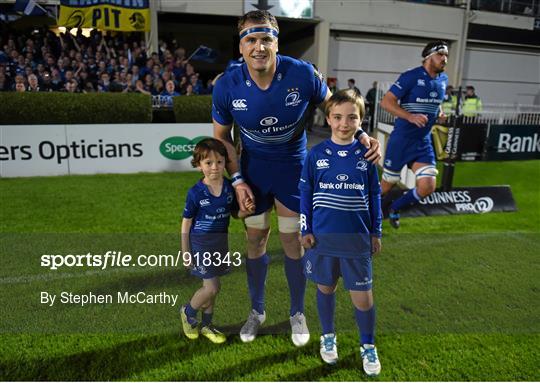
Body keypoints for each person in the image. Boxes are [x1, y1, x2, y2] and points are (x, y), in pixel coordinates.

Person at [212, 10, 381, 346]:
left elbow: (337, 108)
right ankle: (256, 311)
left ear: (276, 42)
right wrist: (237, 180)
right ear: (241, 46)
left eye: (266, 39)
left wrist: (362, 134)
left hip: (294, 170)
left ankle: (296, 313)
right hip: (254, 171)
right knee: (256, 240)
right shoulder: (226, 85)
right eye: (251, 40)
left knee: (294, 242)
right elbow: (221, 137)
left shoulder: (302, 74)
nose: (259, 47)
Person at [300, 89, 382, 375]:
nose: (344, 123)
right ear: (328, 118)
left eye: (351, 118)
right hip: (322, 239)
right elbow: (305, 192)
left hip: (356, 240)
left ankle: (368, 345)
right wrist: (305, 228)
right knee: (326, 288)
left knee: (363, 296)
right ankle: (328, 336)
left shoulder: (367, 154)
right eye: (337, 117)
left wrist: (376, 232)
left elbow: (374, 195)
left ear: (361, 120)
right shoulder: (316, 154)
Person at [180, 138, 254, 344]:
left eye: (219, 162)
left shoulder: (230, 188)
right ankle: (188, 312)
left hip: (220, 244)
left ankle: (206, 325)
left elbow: (234, 214)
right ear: (198, 165)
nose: (214, 167)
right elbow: (186, 223)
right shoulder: (196, 193)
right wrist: (186, 252)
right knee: (212, 287)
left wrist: (245, 211)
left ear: (225, 163)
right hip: (200, 245)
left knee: (212, 289)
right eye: (208, 163)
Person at [380, 40, 449, 228]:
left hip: (423, 141)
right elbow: (386, 102)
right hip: (402, 140)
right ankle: (368, 216)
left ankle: (395, 207)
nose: (444, 59)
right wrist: (410, 116)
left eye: (446, 56)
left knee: (428, 187)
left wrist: (439, 112)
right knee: (387, 185)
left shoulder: (443, 80)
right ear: (428, 57)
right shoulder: (410, 76)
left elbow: (436, 99)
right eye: (440, 55)